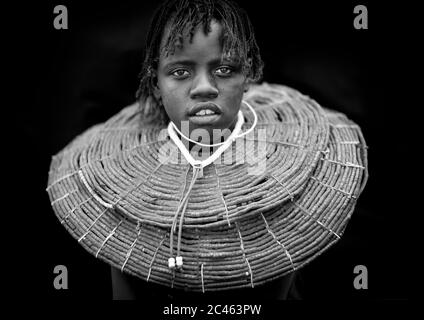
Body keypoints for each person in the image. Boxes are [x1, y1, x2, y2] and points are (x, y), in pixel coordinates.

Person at [47, 0, 367, 300]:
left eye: (225, 69)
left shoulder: (286, 176)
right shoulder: (118, 185)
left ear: (249, 73)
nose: (204, 87)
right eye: (180, 72)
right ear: (156, 82)